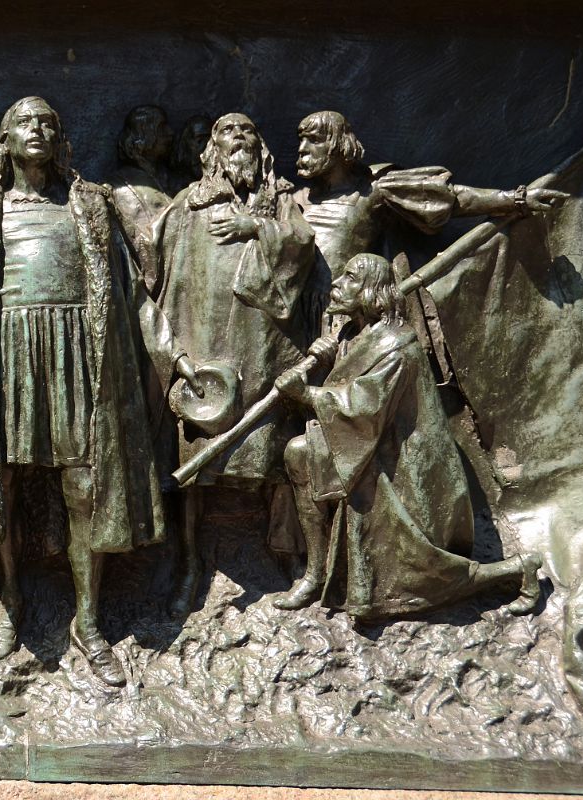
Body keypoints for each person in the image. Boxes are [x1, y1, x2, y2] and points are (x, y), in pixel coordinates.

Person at [0, 96, 201, 687]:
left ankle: (88, 620)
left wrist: (175, 356)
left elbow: (131, 294)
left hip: (76, 356)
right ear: (3, 142)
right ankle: (10, 599)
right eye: (24, 123)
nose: (37, 130)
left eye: (47, 122)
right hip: (2, 356)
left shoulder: (88, 205)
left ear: (61, 140)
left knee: (84, 485)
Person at [272, 253, 542, 616]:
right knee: (299, 453)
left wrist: (306, 394)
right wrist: (325, 354)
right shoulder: (352, 333)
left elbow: (364, 408)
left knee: (425, 575)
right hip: (368, 446)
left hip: (399, 465)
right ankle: (314, 575)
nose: (337, 284)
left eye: (350, 278)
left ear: (370, 292)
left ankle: (516, 568)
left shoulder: (396, 346)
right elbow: (348, 389)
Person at [155, 112, 317, 617]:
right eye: (227, 132)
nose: (239, 138)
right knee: (194, 463)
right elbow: (166, 276)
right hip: (206, 349)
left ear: (262, 148)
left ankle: (290, 555)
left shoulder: (282, 200)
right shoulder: (190, 204)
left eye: (248, 130)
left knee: (275, 456)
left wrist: (255, 226)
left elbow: (303, 245)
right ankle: (188, 563)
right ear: (211, 151)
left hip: (265, 347)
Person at [292, 110, 565, 313]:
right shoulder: (294, 200)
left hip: (339, 314)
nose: (302, 150)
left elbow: (453, 198)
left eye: (314, 140)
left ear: (340, 145)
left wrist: (515, 199)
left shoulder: (374, 189)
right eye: (301, 141)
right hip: (293, 313)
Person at [108, 105, 174, 295]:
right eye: (161, 127)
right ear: (143, 136)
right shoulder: (120, 187)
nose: (170, 133)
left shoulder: (170, 180)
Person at [169, 114, 213, 194]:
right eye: (199, 140)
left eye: (210, 140)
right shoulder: (172, 182)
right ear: (185, 142)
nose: (206, 146)